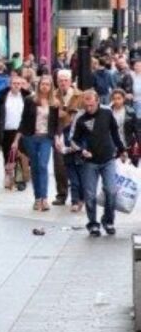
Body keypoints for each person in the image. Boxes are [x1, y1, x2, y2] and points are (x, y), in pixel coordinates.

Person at [71, 90, 127, 236]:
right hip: (90, 162)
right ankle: (93, 224)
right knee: (90, 195)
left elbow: (115, 133)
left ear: (97, 102)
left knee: (111, 191)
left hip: (108, 159)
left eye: (91, 105)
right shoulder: (81, 119)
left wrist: (122, 150)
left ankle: (108, 220)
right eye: (86, 105)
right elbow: (74, 140)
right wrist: (82, 150)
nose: (89, 108)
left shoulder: (107, 113)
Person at [16, 74, 59, 211]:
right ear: (39, 85)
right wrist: (17, 139)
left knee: (42, 165)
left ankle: (45, 198)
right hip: (31, 137)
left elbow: (56, 123)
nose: (45, 87)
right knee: (34, 167)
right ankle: (37, 198)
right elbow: (23, 120)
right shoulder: (30, 100)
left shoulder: (55, 103)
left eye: (47, 84)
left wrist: (57, 137)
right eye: (43, 84)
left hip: (46, 137)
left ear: (51, 87)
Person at [0, 72, 29, 190]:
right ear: (10, 84)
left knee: (20, 155)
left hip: (22, 131)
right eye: (14, 83)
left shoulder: (26, 97)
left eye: (19, 84)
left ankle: (20, 180)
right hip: (7, 130)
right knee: (7, 155)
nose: (17, 86)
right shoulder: (2, 97)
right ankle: (8, 176)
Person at [53, 69, 84, 206]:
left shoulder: (80, 95)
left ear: (71, 81)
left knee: (77, 166)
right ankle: (61, 194)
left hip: (76, 136)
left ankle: (77, 197)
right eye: (60, 80)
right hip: (59, 134)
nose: (63, 83)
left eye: (66, 80)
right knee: (59, 166)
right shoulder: (52, 96)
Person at [110, 88, 139, 164]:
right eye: (114, 99)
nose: (116, 101)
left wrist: (138, 143)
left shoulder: (130, 112)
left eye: (119, 98)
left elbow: (137, 130)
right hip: (112, 147)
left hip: (127, 145)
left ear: (123, 99)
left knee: (128, 170)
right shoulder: (108, 112)